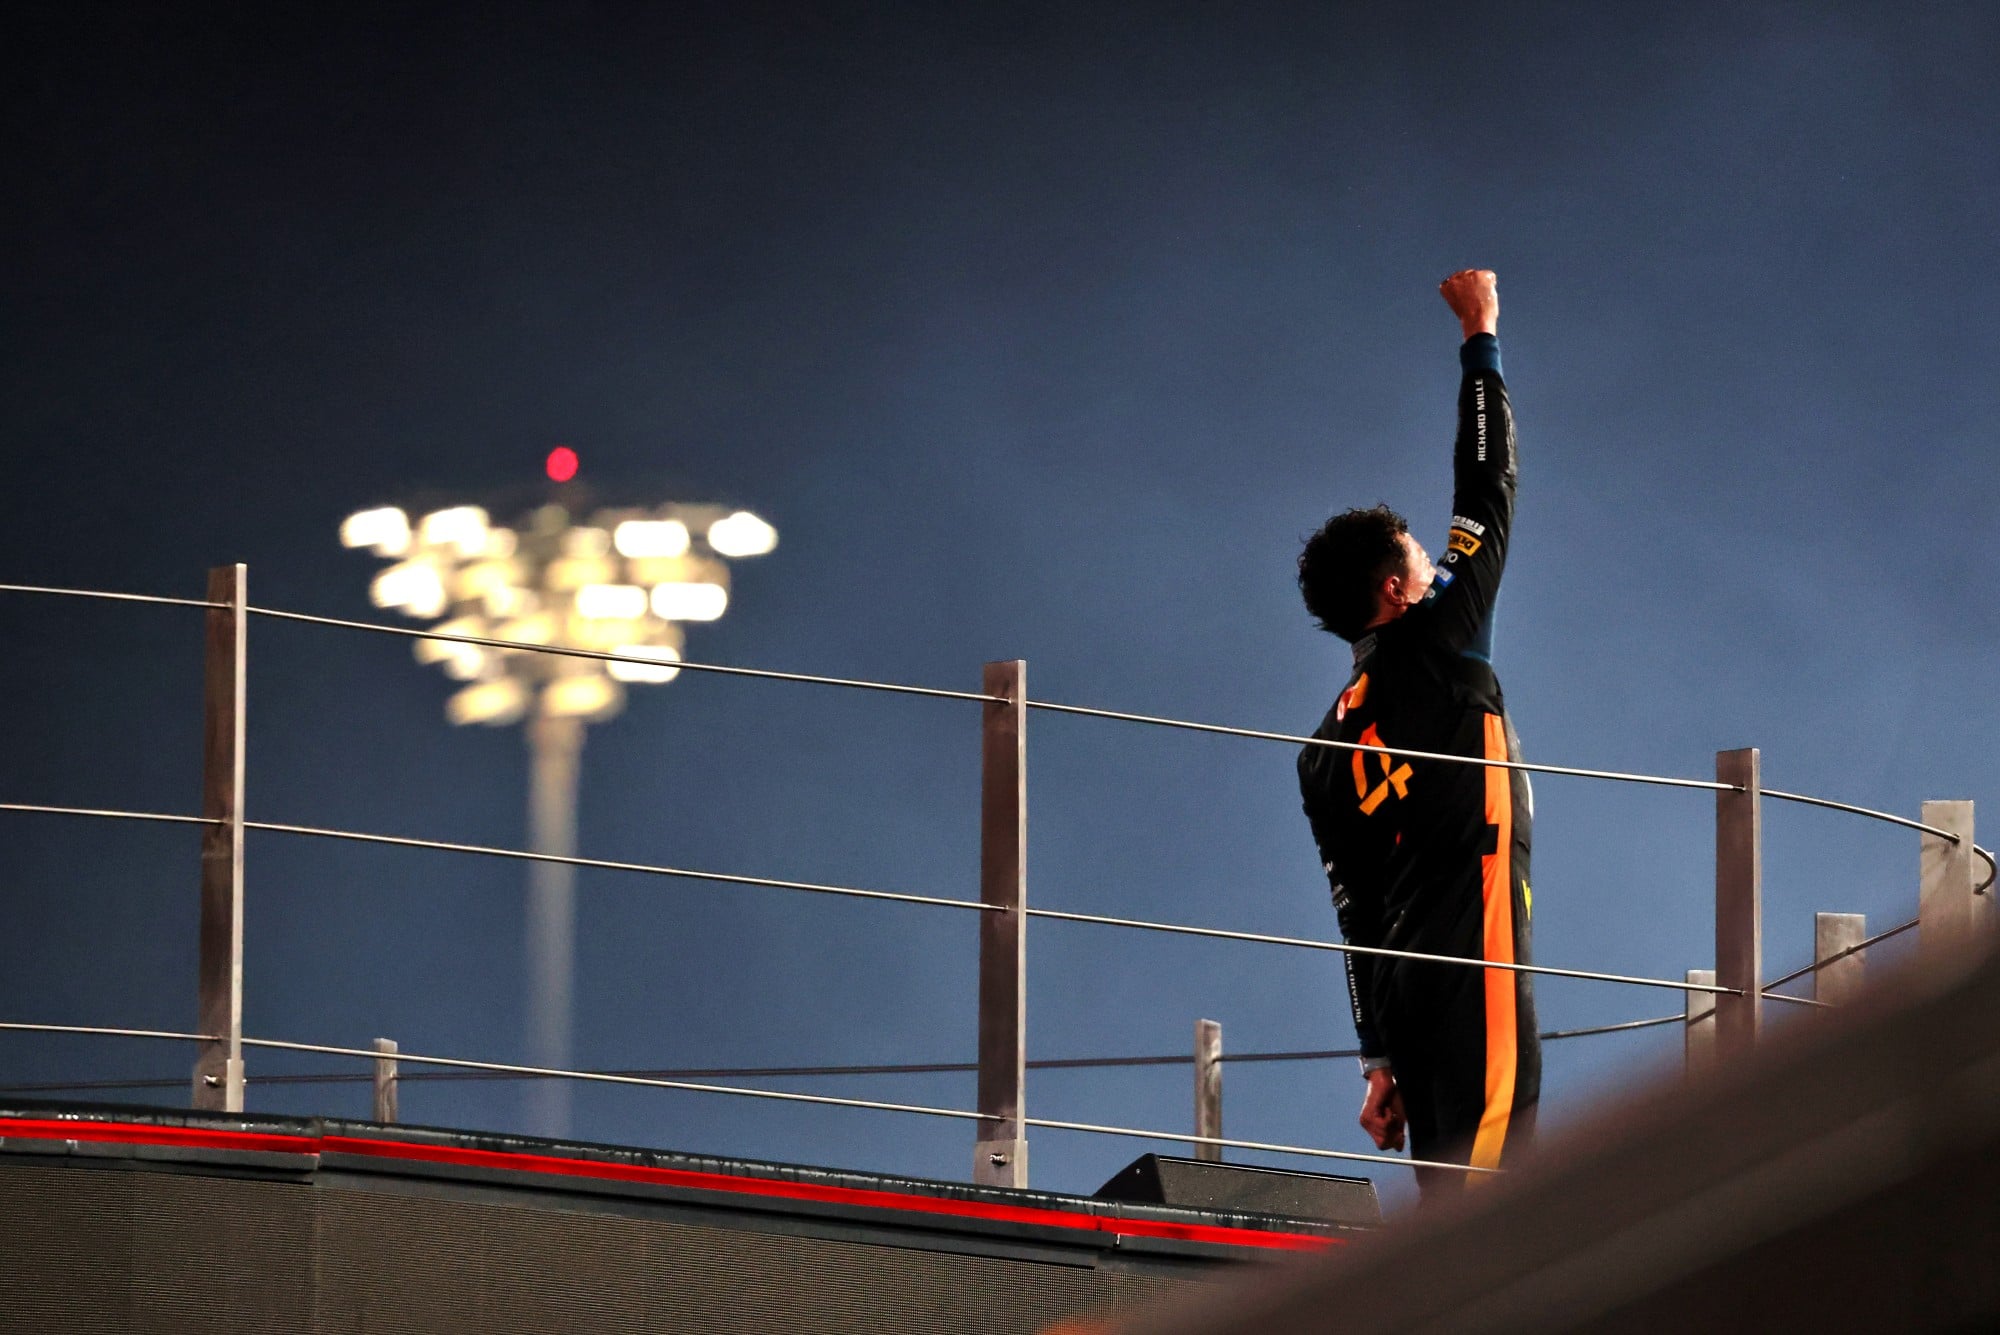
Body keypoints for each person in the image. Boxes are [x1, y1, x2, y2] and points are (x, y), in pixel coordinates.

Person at [1294, 269, 1539, 1196]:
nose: (1442, 569)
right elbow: (1488, 489)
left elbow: (1352, 912)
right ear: (1396, 591)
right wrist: (1482, 335)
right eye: (1423, 563)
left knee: (1454, 1210)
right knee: (1496, 1215)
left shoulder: (1322, 754)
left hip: (1407, 1001)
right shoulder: (1441, 638)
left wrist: (1377, 1057)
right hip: (1476, 969)